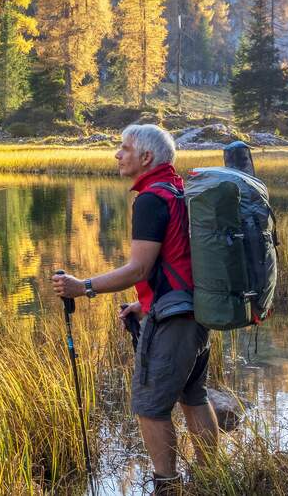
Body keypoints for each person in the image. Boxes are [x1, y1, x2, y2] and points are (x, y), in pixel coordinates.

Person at [51, 123, 218, 492]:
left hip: (174, 322)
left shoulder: (150, 200)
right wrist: (144, 305)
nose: (117, 154)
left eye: (124, 148)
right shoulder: (178, 191)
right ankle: (210, 479)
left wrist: (84, 287)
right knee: (194, 396)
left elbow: (139, 268)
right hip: (196, 313)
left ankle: (167, 486)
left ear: (146, 157)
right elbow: (178, 261)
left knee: (149, 408)